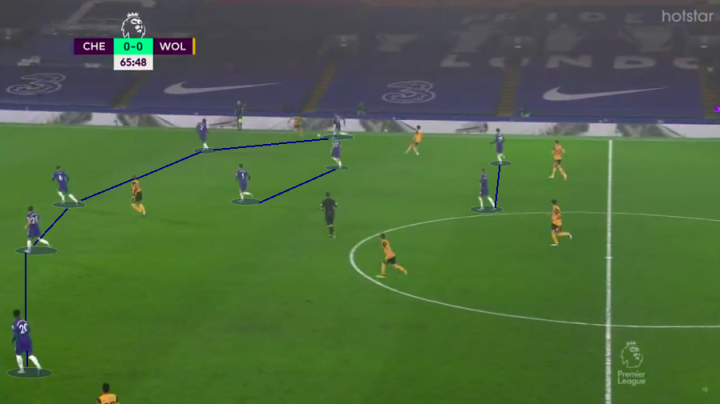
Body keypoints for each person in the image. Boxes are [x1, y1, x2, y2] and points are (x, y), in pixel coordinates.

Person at [12, 309, 42, 375]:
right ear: (19, 314)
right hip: (27, 339)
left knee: (18, 354)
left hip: (20, 340)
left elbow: (15, 334)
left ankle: (22, 370)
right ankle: (39, 367)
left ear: (14, 315)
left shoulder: (15, 323)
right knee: (30, 354)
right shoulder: (25, 321)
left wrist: (13, 340)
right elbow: (29, 330)